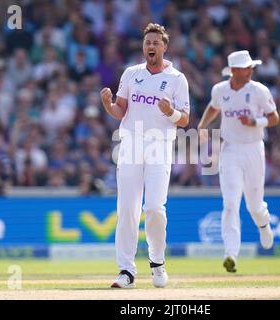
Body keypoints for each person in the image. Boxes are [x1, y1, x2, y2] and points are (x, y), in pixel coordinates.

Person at [100, 23, 190, 288]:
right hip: (130, 144)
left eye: (156, 43)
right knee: (127, 208)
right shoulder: (131, 74)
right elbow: (121, 110)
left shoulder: (177, 78)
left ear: (164, 47)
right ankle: (126, 271)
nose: (151, 46)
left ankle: (157, 262)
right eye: (147, 42)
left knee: (153, 208)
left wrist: (170, 112)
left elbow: (184, 120)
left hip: (159, 146)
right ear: (143, 46)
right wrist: (108, 106)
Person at [197, 50, 280, 273]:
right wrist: (202, 125)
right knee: (231, 202)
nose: (250, 70)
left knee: (254, 205)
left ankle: (264, 226)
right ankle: (230, 253)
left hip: (254, 149)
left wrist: (256, 121)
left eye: (250, 67)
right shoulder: (220, 90)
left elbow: (275, 118)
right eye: (246, 67)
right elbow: (214, 106)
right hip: (230, 149)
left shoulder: (259, 91)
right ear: (234, 71)